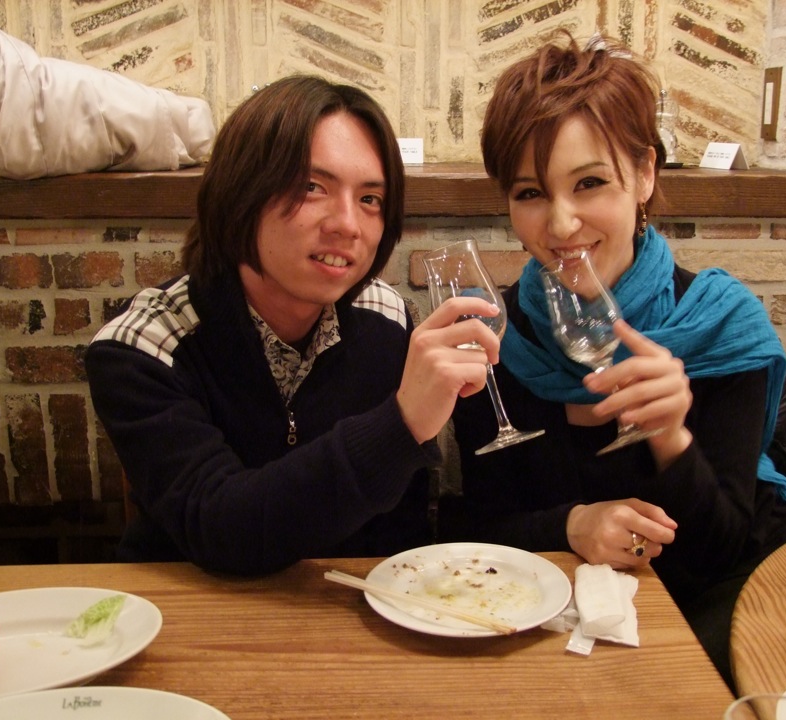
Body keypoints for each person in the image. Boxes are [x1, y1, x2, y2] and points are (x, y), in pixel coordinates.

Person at [438, 33, 786, 687]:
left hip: (716, 608)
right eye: (530, 193)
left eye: (589, 183)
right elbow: (481, 523)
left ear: (644, 174)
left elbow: (722, 549)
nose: (561, 225)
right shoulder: (498, 337)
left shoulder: (719, 324)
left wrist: (672, 440)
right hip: (553, 626)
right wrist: (571, 524)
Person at [85, 76, 500, 576]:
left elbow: (399, 528)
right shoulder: (144, 347)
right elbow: (221, 529)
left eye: (370, 199)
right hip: (192, 604)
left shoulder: (384, 316)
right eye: (311, 187)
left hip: (341, 603)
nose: (348, 224)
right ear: (240, 193)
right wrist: (402, 423)